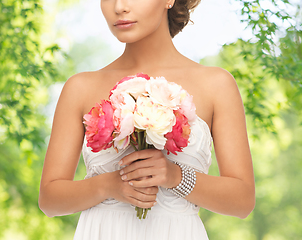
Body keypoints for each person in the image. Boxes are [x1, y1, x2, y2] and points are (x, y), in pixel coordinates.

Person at [39, 0, 255, 239]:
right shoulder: (79, 87)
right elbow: (49, 200)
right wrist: (107, 185)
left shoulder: (216, 85)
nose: (119, 6)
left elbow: (242, 200)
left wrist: (175, 176)